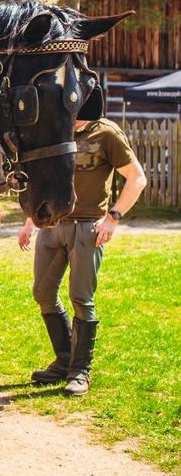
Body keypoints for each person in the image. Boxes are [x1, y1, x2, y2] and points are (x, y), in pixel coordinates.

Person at [19, 114, 146, 396]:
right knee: (42, 292)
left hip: (88, 228)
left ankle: (80, 371)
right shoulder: (56, 130)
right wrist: (31, 219)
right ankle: (65, 360)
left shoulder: (105, 133)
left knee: (81, 298)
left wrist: (113, 217)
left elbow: (137, 178)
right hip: (52, 224)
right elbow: (42, 177)